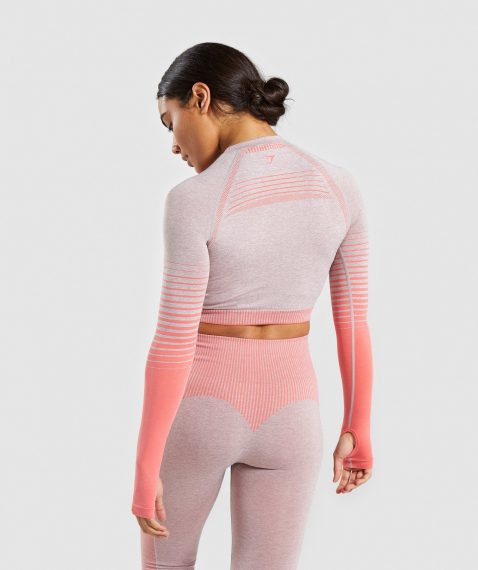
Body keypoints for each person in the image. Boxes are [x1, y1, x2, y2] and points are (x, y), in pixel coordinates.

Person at [131, 42, 374, 570]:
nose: (173, 146)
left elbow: (172, 341)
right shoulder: (340, 186)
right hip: (294, 416)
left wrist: (146, 465)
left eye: (170, 122)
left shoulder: (193, 199)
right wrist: (358, 426)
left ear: (200, 98)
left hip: (202, 411)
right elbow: (353, 322)